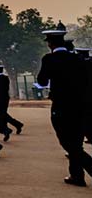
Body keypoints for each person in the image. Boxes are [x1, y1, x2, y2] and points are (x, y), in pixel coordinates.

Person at [37, 27, 92, 186]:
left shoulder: (48, 59)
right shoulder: (78, 59)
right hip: (79, 105)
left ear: (49, 44)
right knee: (76, 141)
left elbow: (42, 82)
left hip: (61, 106)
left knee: (67, 142)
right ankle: (77, 176)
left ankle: (81, 173)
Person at [0, 65, 24, 138]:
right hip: (5, 99)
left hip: (0, 99)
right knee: (3, 114)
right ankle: (14, 125)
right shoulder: (5, 78)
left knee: (1, 115)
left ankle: (10, 127)